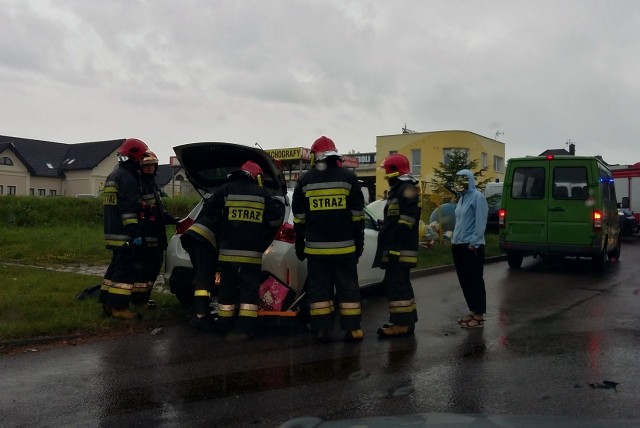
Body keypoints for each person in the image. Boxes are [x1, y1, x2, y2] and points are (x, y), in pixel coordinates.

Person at [292, 136, 365, 343]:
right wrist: (359, 244)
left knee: (320, 290)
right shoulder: (349, 178)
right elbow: (358, 216)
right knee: (348, 288)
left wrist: (299, 244)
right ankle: (353, 329)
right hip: (345, 250)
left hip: (317, 252)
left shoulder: (305, 181)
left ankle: (322, 329)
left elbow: (299, 219)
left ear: (315, 156)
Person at [200, 160, 283, 341]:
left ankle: (224, 326)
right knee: (248, 292)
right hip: (251, 254)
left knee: (226, 289)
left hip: (228, 253)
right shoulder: (262, 194)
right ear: (256, 177)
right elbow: (276, 213)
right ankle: (246, 329)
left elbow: (208, 210)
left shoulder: (225, 190)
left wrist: (222, 223)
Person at [98, 138, 148, 320]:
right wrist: (135, 234)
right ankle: (119, 309)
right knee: (124, 273)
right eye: (142, 157)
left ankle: (106, 303)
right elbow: (128, 210)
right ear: (135, 157)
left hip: (112, 231)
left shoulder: (114, 175)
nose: (143, 161)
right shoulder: (127, 178)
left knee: (113, 270)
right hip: (125, 234)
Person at [373, 153, 421, 337]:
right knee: (401, 284)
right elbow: (396, 219)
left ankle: (401, 324)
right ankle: (406, 321)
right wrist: (385, 226)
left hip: (400, 249)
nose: (385, 175)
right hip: (399, 247)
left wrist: (394, 246)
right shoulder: (401, 188)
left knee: (397, 285)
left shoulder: (406, 188)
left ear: (394, 171)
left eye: (387, 171)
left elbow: (407, 221)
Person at [134, 150, 179, 311]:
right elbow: (139, 209)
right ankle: (139, 301)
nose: (150, 168)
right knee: (145, 270)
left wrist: (174, 219)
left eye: (152, 165)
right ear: (140, 167)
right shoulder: (139, 184)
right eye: (146, 166)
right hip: (146, 235)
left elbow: (158, 211)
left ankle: (144, 299)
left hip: (156, 234)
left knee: (154, 268)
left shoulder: (152, 184)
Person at [451, 169, 489, 329]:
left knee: (474, 280)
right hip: (458, 244)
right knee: (465, 281)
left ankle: (479, 316)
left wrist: (474, 243)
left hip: (471, 246)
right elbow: (460, 221)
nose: (459, 183)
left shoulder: (477, 197)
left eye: (463, 180)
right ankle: (473, 311)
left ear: (469, 180)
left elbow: (480, 222)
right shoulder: (462, 198)